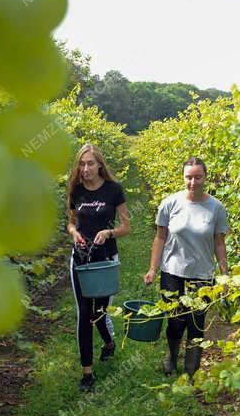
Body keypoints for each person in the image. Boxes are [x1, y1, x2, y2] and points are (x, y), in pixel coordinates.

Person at [144, 157, 229, 382]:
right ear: (183, 178)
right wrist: (153, 268)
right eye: (188, 177)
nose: (193, 182)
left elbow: (219, 243)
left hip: (202, 275)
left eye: (197, 177)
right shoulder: (170, 203)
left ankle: (192, 371)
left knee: (196, 323)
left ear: (205, 177)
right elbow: (160, 238)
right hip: (172, 271)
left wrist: (225, 274)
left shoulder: (216, 208)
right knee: (174, 320)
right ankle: (171, 356)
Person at [67, 143, 131, 392]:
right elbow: (71, 223)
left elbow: (127, 227)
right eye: (82, 164)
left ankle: (108, 343)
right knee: (84, 314)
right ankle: (87, 373)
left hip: (105, 259)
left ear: (100, 165)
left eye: (90, 163)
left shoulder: (114, 190)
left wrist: (109, 232)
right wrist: (74, 233)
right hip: (81, 259)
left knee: (99, 313)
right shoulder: (75, 191)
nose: (85, 169)